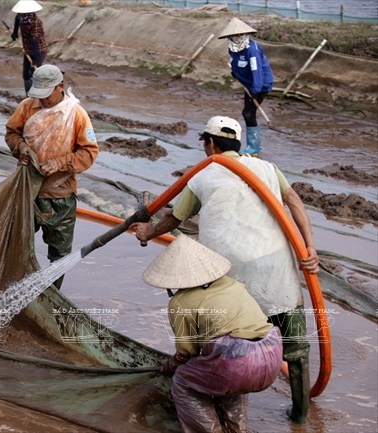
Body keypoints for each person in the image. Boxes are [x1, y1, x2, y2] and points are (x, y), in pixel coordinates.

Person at [132, 116, 320, 424]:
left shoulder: (203, 175)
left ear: (210, 143)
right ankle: (300, 416)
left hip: (231, 279)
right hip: (278, 272)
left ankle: (221, 412)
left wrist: (147, 232)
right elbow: (295, 202)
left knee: (229, 346)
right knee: (295, 350)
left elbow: (174, 219)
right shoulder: (268, 169)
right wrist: (309, 248)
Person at [143, 234, 283, 432]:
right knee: (230, 385)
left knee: (183, 381)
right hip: (271, 354)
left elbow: (186, 352)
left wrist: (169, 366)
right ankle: (237, 430)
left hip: (235, 362)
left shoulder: (179, 302)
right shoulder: (233, 284)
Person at [5, 64, 98, 289]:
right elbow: (11, 133)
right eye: (39, 95)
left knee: (60, 254)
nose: (43, 100)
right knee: (15, 243)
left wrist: (60, 163)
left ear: (60, 88)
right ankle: (12, 288)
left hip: (60, 195)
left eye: (47, 95)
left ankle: (52, 294)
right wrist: (22, 148)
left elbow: (89, 152)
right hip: (27, 189)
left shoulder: (77, 115)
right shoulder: (27, 107)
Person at [219, 17, 273, 156]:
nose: (234, 38)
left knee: (248, 113)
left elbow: (257, 71)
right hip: (248, 84)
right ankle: (252, 146)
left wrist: (255, 90)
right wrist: (235, 73)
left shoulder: (252, 50)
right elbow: (235, 62)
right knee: (248, 113)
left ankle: (254, 147)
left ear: (242, 35)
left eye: (237, 35)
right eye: (232, 36)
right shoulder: (233, 48)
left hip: (260, 85)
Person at [11, 0, 48, 96]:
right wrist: (15, 33)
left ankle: (37, 96)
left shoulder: (35, 22)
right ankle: (28, 96)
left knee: (33, 74)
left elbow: (35, 41)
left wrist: (35, 60)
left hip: (39, 50)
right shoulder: (21, 16)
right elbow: (17, 20)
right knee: (26, 75)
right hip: (27, 49)